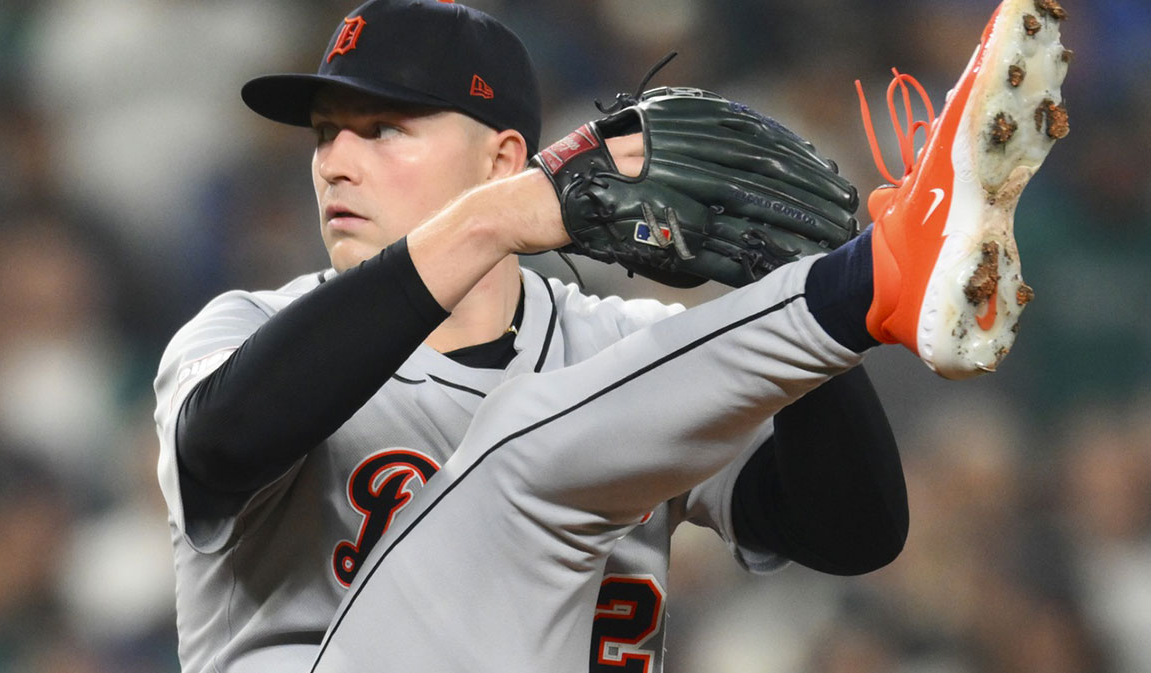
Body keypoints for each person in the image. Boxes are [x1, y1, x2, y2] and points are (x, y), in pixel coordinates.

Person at [152, 0, 1068, 671]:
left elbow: (853, 532)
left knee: (556, 420)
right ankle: (875, 277)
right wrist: (493, 222)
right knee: (522, 448)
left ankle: (866, 280)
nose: (334, 163)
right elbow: (226, 441)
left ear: (503, 158)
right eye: (325, 134)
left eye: (382, 127)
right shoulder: (245, 329)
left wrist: (777, 275)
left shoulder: (625, 348)